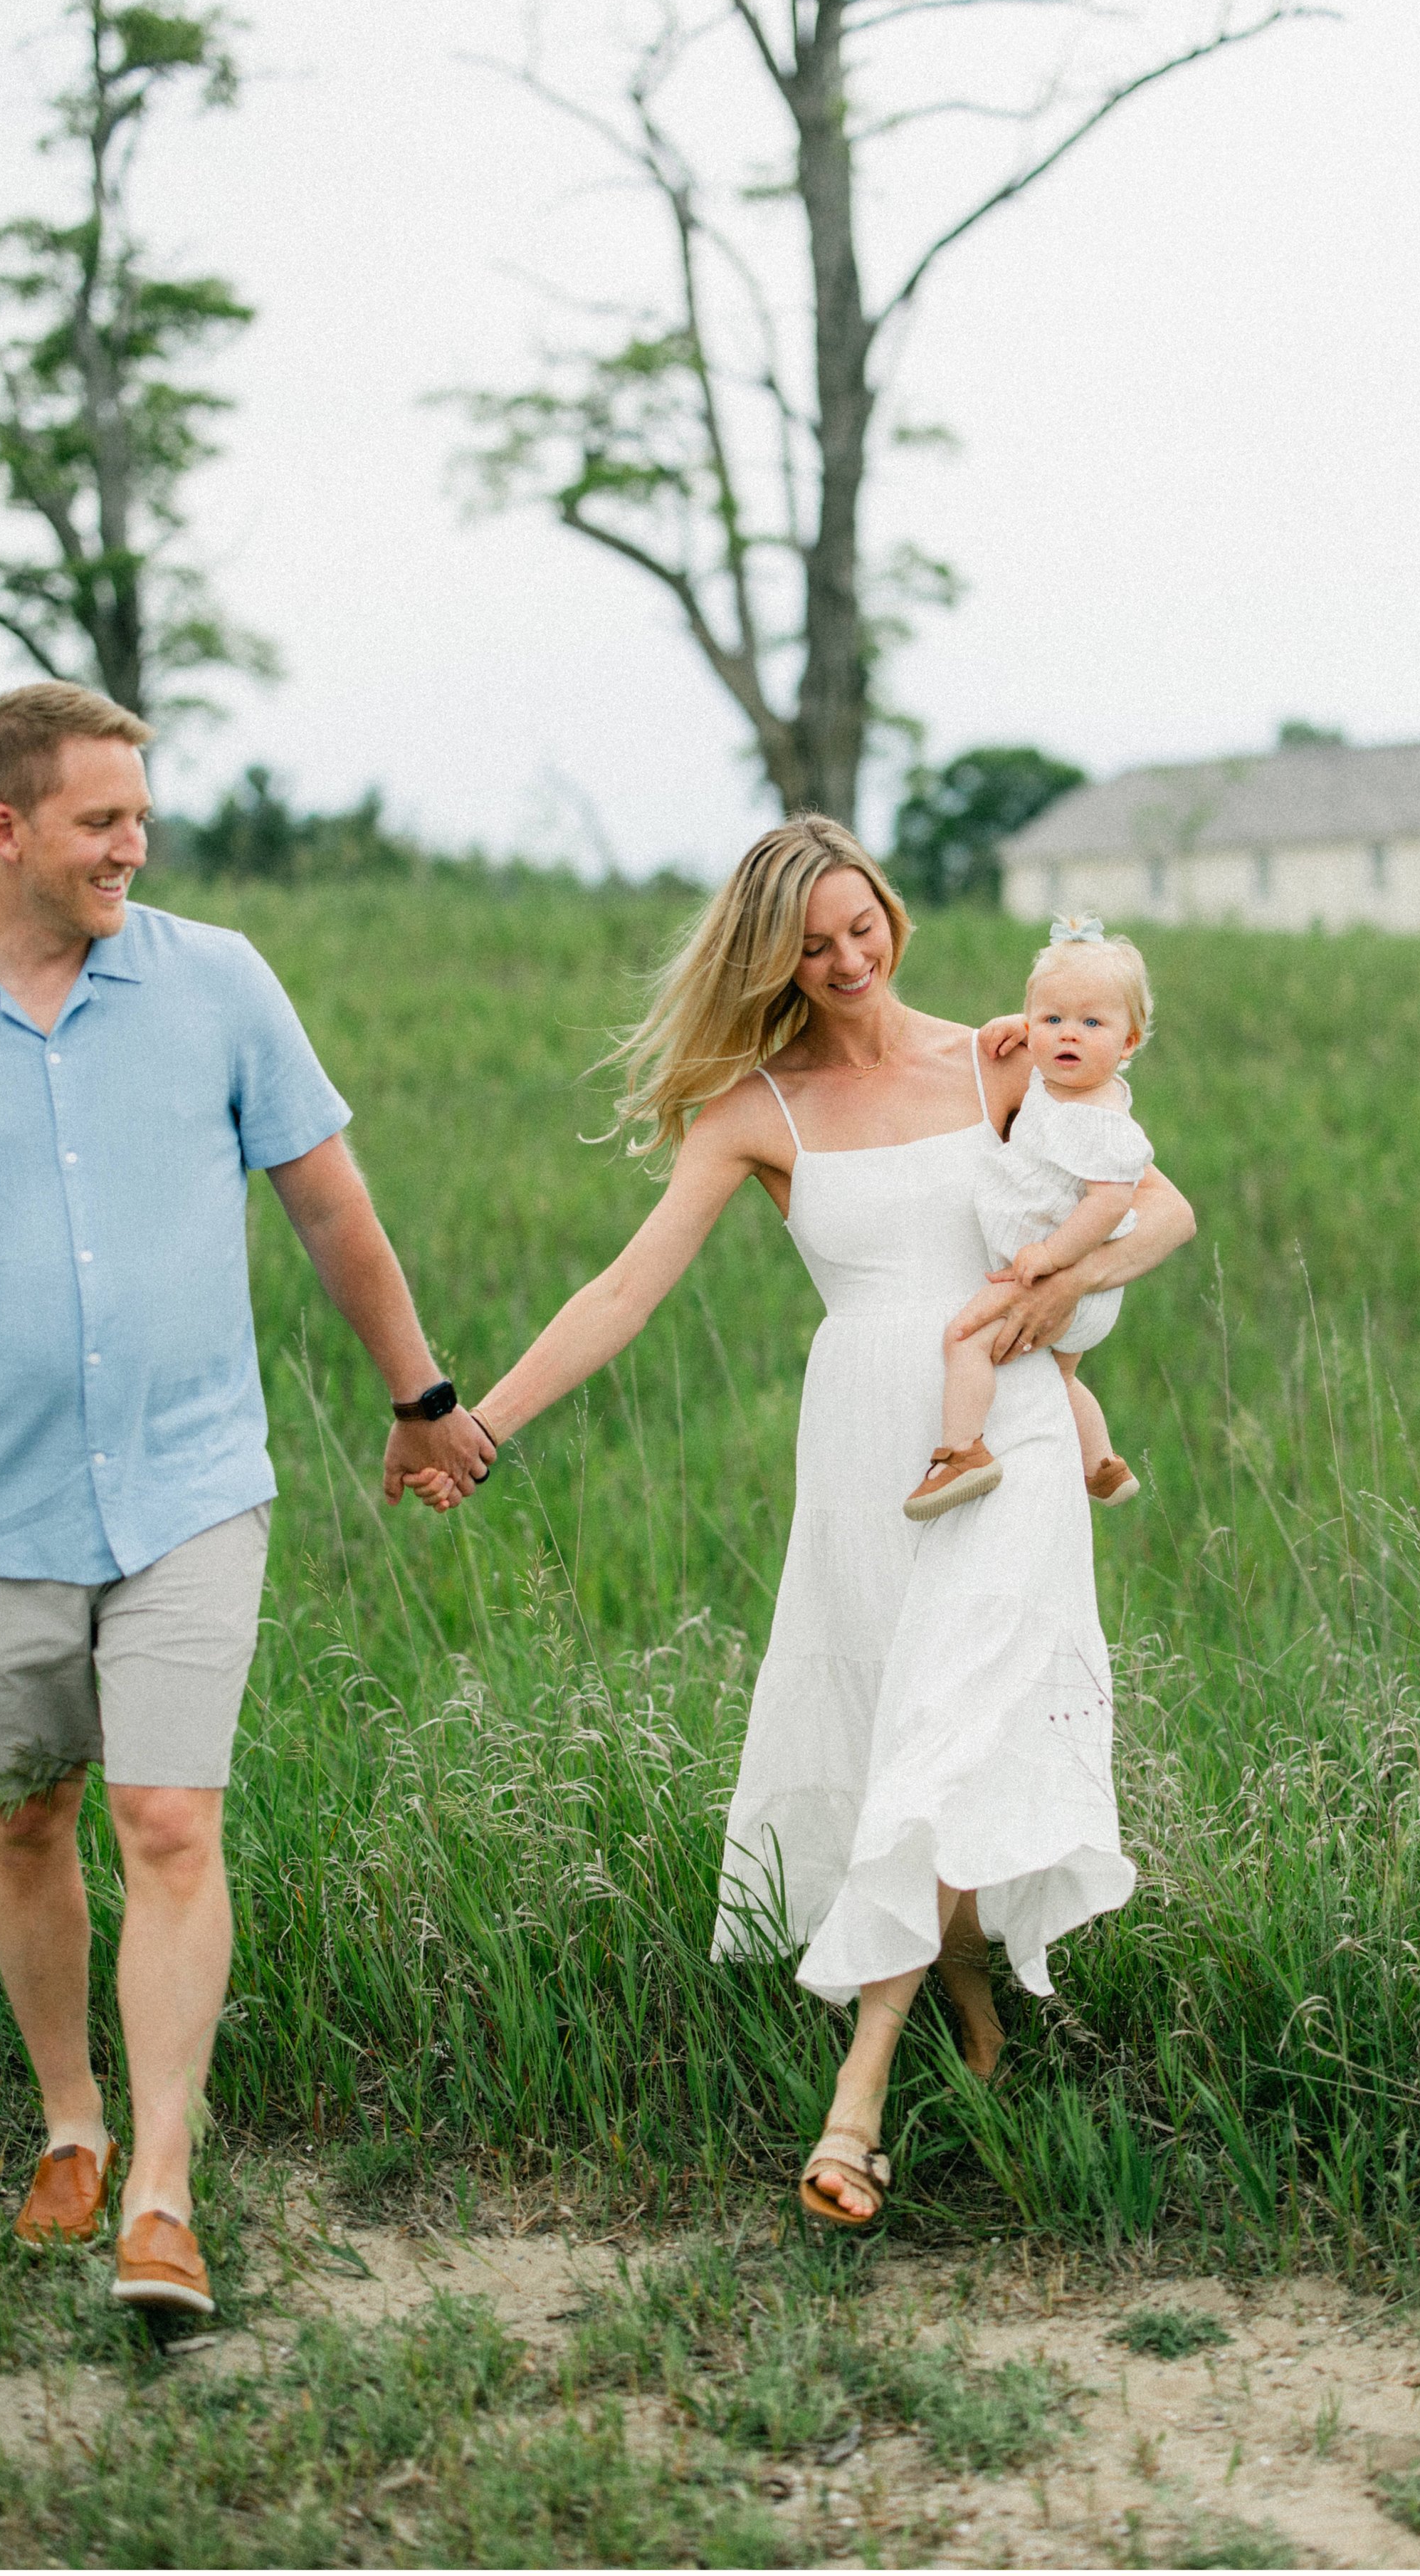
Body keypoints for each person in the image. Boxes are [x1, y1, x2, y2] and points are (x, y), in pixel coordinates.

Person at [406, 815, 1194, 2228]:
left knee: (954, 1716)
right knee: (910, 1727)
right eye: (812, 943)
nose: (845, 959)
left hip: (1003, 1430)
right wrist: (483, 1424)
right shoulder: (751, 1112)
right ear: (772, 956)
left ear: (891, 911)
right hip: (864, 1446)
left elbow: (1162, 1208)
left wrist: (1055, 1291)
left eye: (860, 925)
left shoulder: (1001, 1057)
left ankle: (857, 2101)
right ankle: (966, 1986)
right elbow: (622, 1291)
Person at [0, 682, 495, 2315]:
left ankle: (161, 2187)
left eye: (141, 817)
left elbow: (329, 1204)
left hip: (187, 1483)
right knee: (25, 1812)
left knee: (169, 1819)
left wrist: (421, 1400)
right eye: (101, 820)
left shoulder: (217, 982)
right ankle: (73, 2122)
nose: (135, 846)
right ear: (5, 828)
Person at [905, 916, 1155, 1522]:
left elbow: (1110, 1203)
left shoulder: (1100, 1120)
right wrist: (1015, 1026)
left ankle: (963, 1452)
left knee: (964, 1340)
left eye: (1092, 1024)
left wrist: (1051, 1256)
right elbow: (1047, 1034)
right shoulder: (1059, 1078)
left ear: (1127, 1044)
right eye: (1052, 1019)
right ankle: (1102, 1465)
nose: (1068, 1034)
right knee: (1062, 1380)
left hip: (1058, 1274)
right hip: (1074, 1283)